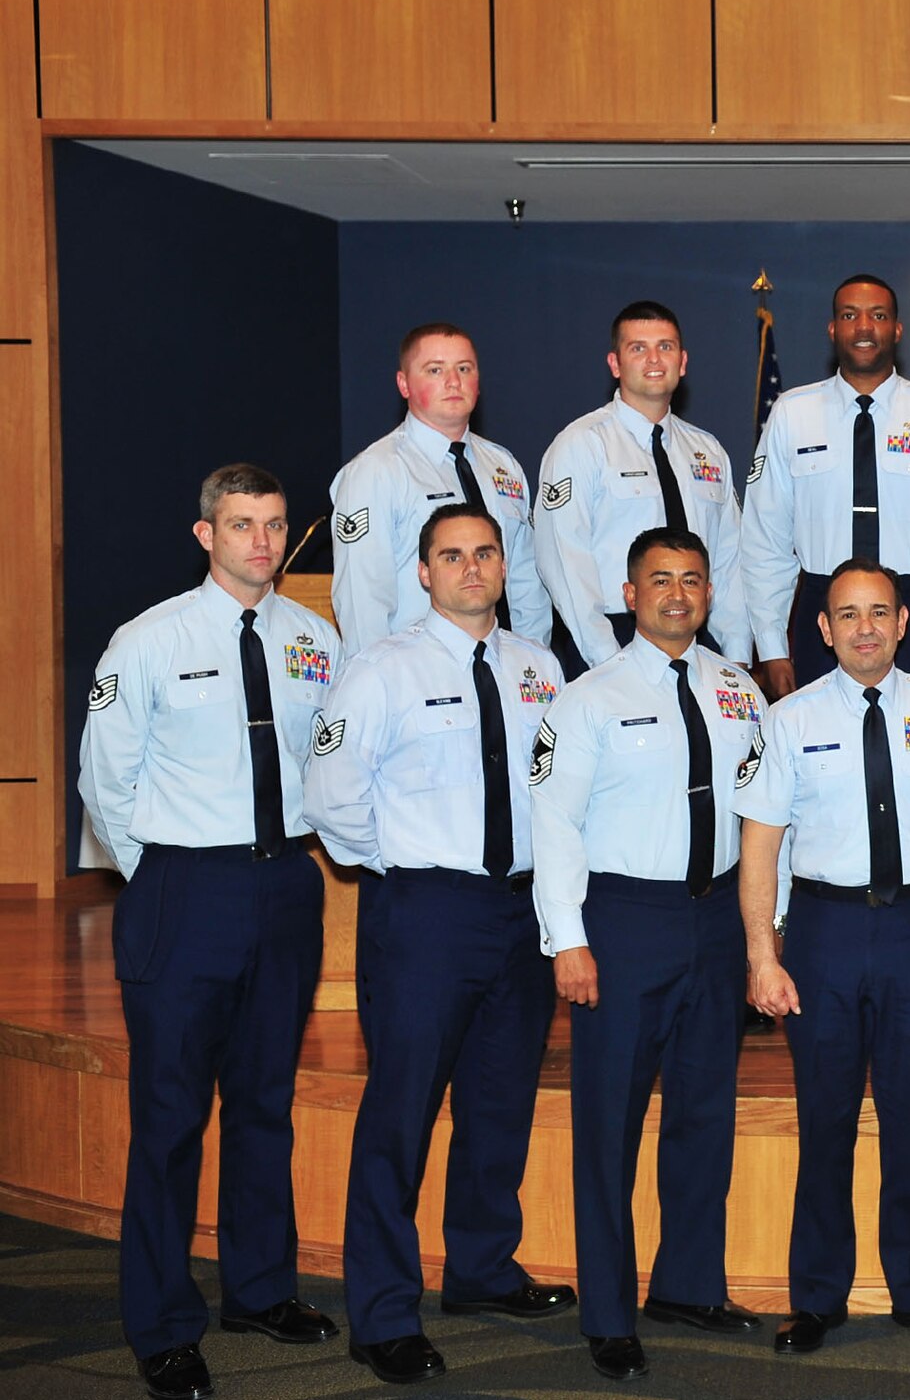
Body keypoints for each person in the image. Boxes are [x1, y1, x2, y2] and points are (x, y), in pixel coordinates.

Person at [79, 465, 342, 1400]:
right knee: (171, 1118)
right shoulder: (148, 640)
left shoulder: (315, 639)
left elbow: (329, 761)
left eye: (273, 525)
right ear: (206, 535)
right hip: (185, 886)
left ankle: (260, 1289)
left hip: (283, 888)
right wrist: (164, 880)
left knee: (265, 1102)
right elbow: (105, 783)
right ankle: (160, 1323)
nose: (262, 542)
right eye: (242, 525)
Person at [304, 503, 575, 1386]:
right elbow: (332, 798)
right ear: (422, 572)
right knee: (402, 1112)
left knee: (499, 1103)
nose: (470, 568)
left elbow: (560, 790)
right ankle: (382, 1312)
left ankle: (482, 1269)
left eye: (485, 553)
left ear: (504, 565)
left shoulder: (540, 668)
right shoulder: (381, 669)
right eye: (451, 556)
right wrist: (409, 869)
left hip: (520, 913)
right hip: (425, 911)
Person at [734, 560, 910, 1354]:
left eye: (878, 612)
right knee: (825, 1122)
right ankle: (816, 1297)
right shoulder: (786, 720)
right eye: (846, 614)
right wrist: (762, 952)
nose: (864, 627)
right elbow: (760, 844)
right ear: (822, 629)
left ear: (902, 623)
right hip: (822, 935)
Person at [529, 527, 766, 1381]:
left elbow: (766, 820)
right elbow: (553, 821)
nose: (677, 594)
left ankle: (689, 1284)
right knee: (610, 1125)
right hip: (623, 922)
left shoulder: (739, 692)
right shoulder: (587, 698)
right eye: (659, 580)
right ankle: (608, 1310)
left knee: (704, 1113)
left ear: (709, 593)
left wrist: (761, 934)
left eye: (692, 580)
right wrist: (569, 937)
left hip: (715, 922)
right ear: (628, 595)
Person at [740, 275, 910, 701]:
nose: (864, 327)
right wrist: (771, 648)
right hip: (821, 615)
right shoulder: (792, 414)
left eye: (878, 316)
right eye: (850, 316)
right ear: (833, 330)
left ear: (897, 329)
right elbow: (764, 543)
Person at [533, 301, 750, 679]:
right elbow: (565, 563)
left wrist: (736, 654)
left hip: (699, 640)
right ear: (615, 364)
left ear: (682, 361)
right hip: (611, 638)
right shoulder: (581, 445)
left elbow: (729, 559)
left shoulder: (708, 450)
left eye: (665, 347)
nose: (654, 358)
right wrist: (609, 660)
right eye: (638, 348)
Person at [331, 321, 552, 652]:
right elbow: (362, 598)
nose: (453, 381)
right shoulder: (376, 472)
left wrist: (532, 660)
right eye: (435, 370)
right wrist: (379, 682)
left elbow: (526, 581)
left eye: (464, 368)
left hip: (502, 665)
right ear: (404, 384)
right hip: (417, 671)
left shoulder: (503, 466)